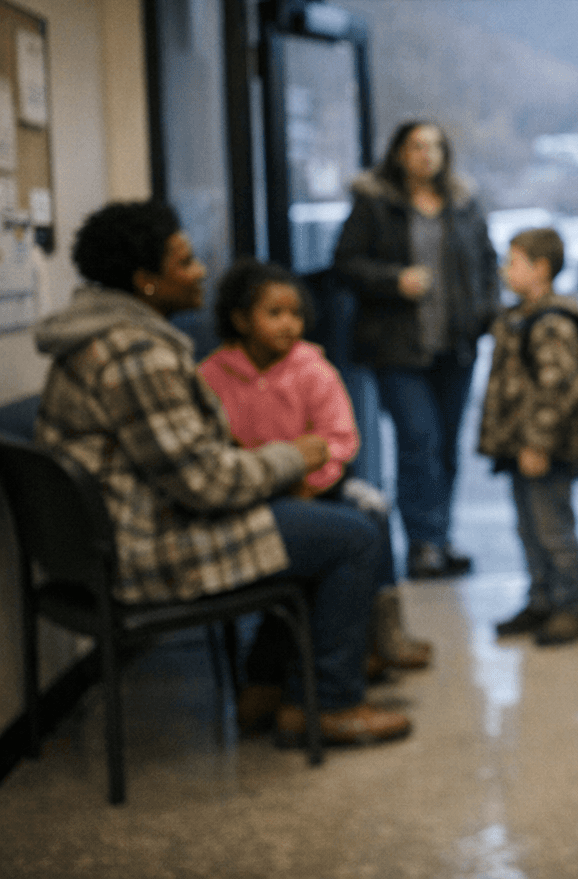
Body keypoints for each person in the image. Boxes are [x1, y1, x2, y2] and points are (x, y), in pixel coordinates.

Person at [33, 201, 411, 745]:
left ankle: (269, 687)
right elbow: (207, 483)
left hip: (124, 533)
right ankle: (329, 703)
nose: (200, 271)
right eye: (185, 262)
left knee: (319, 526)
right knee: (352, 538)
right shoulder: (134, 353)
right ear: (144, 281)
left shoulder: (105, 339)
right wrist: (294, 456)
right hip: (148, 549)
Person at [198, 258, 433, 694]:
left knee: (373, 509)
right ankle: (294, 672)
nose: (288, 324)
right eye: (274, 313)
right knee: (329, 547)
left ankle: (380, 634)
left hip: (315, 486)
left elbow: (340, 439)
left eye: (296, 314)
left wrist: (311, 483)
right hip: (248, 494)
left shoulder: (313, 369)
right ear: (240, 319)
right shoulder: (212, 376)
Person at [333, 120, 501, 579]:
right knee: (418, 440)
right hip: (397, 347)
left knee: (445, 446)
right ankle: (422, 543)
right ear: (399, 153)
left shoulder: (463, 203)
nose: (426, 154)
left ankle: (441, 538)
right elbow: (345, 263)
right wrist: (394, 280)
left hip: (455, 346)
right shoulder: (375, 203)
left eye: (434, 146)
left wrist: (485, 315)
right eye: (416, 146)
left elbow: (487, 263)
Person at [477, 228, 578, 647]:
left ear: (541, 268)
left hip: (545, 449)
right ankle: (541, 600)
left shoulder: (552, 322)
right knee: (528, 528)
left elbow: (558, 389)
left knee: (553, 528)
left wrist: (538, 442)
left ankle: (572, 606)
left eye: (514, 262)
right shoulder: (517, 316)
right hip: (519, 447)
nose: (506, 271)